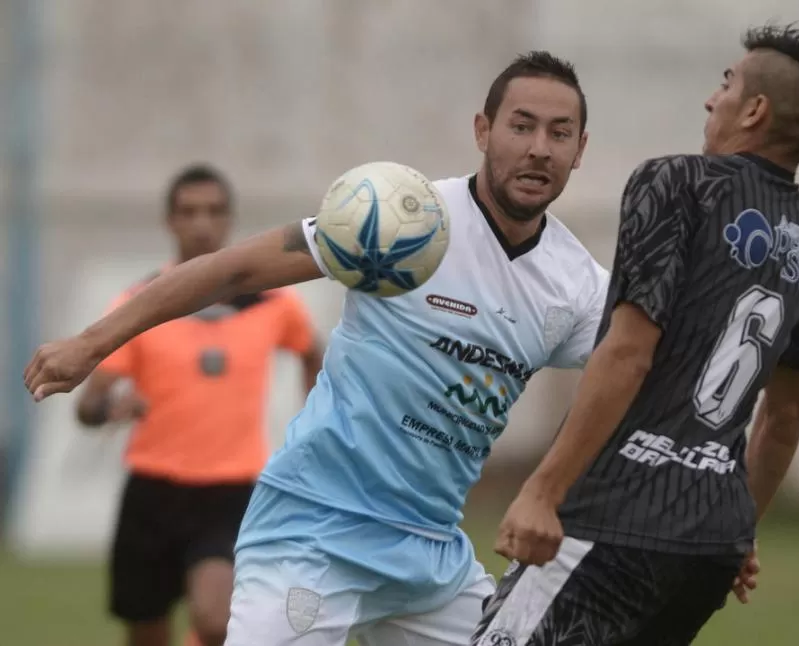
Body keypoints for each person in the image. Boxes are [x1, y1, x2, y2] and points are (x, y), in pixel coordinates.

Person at [23, 51, 609, 646]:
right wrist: (93, 342)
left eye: (559, 133)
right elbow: (232, 271)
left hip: (432, 557)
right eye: (521, 125)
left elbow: (630, 373)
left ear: (580, 150)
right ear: (483, 131)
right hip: (314, 530)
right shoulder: (402, 216)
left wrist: (551, 491)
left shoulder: (579, 286)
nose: (540, 147)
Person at [476, 24, 799, 645]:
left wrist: (542, 490)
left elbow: (629, 351)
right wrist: (740, 526)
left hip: (612, 521)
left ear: (755, 110)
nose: (712, 100)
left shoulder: (676, 182)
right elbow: (789, 413)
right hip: (708, 549)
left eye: (727, 84)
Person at [73, 164, 323, 646]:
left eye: (213, 211)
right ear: (170, 222)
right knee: (146, 631)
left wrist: (312, 426)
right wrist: (110, 408)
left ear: (229, 220)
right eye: (189, 212)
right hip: (151, 490)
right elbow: (87, 406)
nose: (202, 223)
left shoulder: (272, 304)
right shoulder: (138, 305)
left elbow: (311, 351)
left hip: (231, 492)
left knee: (215, 620)